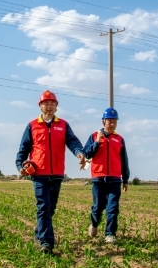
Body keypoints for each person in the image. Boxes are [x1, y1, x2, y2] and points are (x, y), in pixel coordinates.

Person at [16, 90, 86, 253]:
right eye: (46, 104)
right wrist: (20, 166)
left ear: (56, 106)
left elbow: (73, 142)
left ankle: (39, 232)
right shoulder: (32, 125)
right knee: (43, 207)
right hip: (39, 174)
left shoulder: (63, 125)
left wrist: (79, 153)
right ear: (40, 106)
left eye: (52, 104)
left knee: (50, 208)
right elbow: (23, 149)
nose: (49, 107)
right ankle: (46, 242)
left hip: (57, 174)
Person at [83, 107, 130, 244]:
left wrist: (125, 179)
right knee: (98, 207)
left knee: (112, 208)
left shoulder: (119, 139)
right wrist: (97, 142)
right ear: (103, 121)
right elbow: (86, 154)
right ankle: (94, 224)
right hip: (98, 178)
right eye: (109, 121)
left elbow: (124, 160)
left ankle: (110, 234)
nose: (112, 124)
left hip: (115, 179)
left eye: (115, 122)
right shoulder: (94, 136)